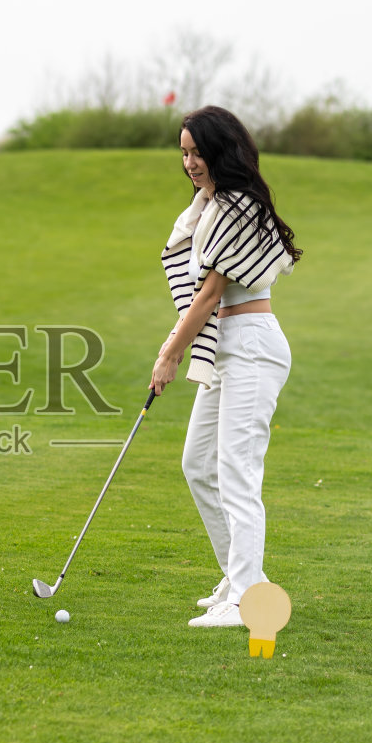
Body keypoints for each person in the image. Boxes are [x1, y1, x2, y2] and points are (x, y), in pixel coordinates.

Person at [150, 106, 302, 628]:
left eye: (197, 152)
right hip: (225, 346)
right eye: (184, 153)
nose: (190, 163)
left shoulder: (237, 206)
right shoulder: (207, 208)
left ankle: (245, 600)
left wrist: (171, 352)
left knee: (238, 472)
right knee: (198, 464)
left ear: (220, 151)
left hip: (252, 346)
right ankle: (236, 579)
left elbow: (212, 289)